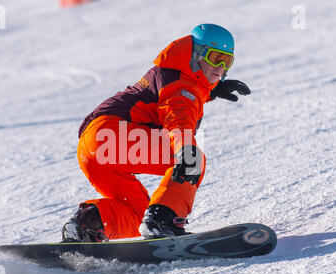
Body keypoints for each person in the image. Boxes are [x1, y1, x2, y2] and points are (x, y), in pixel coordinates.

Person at [62, 23, 251, 242]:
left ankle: (89, 224)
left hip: (93, 149)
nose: (220, 66)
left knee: (137, 213)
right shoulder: (183, 86)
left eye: (227, 61)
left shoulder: (176, 76)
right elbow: (178, 115)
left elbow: (174, 94)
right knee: (193, 161)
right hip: (112, 137)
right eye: (214, 57)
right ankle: (163, 221)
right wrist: (185, 149)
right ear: (195, 54)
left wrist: (211, 89)